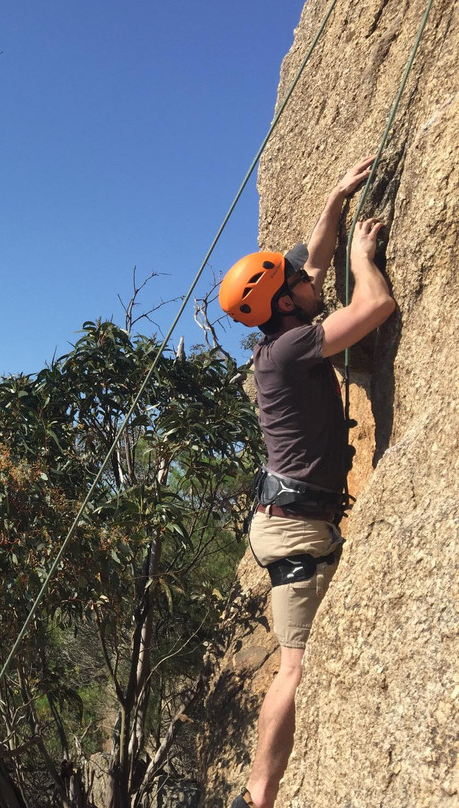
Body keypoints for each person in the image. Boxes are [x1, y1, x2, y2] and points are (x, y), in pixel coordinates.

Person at [217, 155, 396, 808]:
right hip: (294, 531)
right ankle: (258, 797)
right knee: (293, 668)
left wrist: (335, 197)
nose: (307, 276)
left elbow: (313, 262)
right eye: (296, 280)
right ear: (286, 302)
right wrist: (365, 254)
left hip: (288, 518)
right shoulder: (292, 348)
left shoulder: (282, 324)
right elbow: (375, 304)